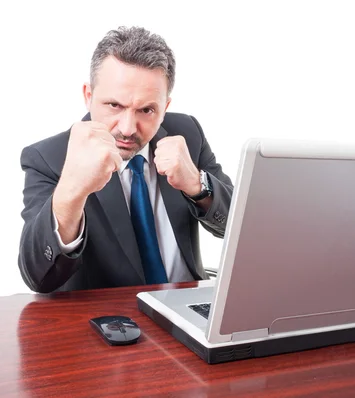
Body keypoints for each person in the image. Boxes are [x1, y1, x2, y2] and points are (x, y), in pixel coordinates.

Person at [18, 26, 234, 293]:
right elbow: (38, 276)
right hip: (108, 321)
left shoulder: (187, 133)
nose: (128, 128)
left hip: (187, 307)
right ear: (89, 96)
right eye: (114, 105)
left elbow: (240, 230)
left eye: (146, 110)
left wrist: (199, 187)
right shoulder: (48, 157)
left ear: (165, 107)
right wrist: (72, 189)